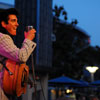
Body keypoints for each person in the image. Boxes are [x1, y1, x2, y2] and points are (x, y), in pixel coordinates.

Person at [0, 8, 36, 100]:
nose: (17, 24)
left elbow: (12, 65)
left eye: (17, 21)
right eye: (13, 21)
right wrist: (28, 40)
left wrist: (26, 79)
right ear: (4, 24)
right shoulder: (3, 38)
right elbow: (21, 57)